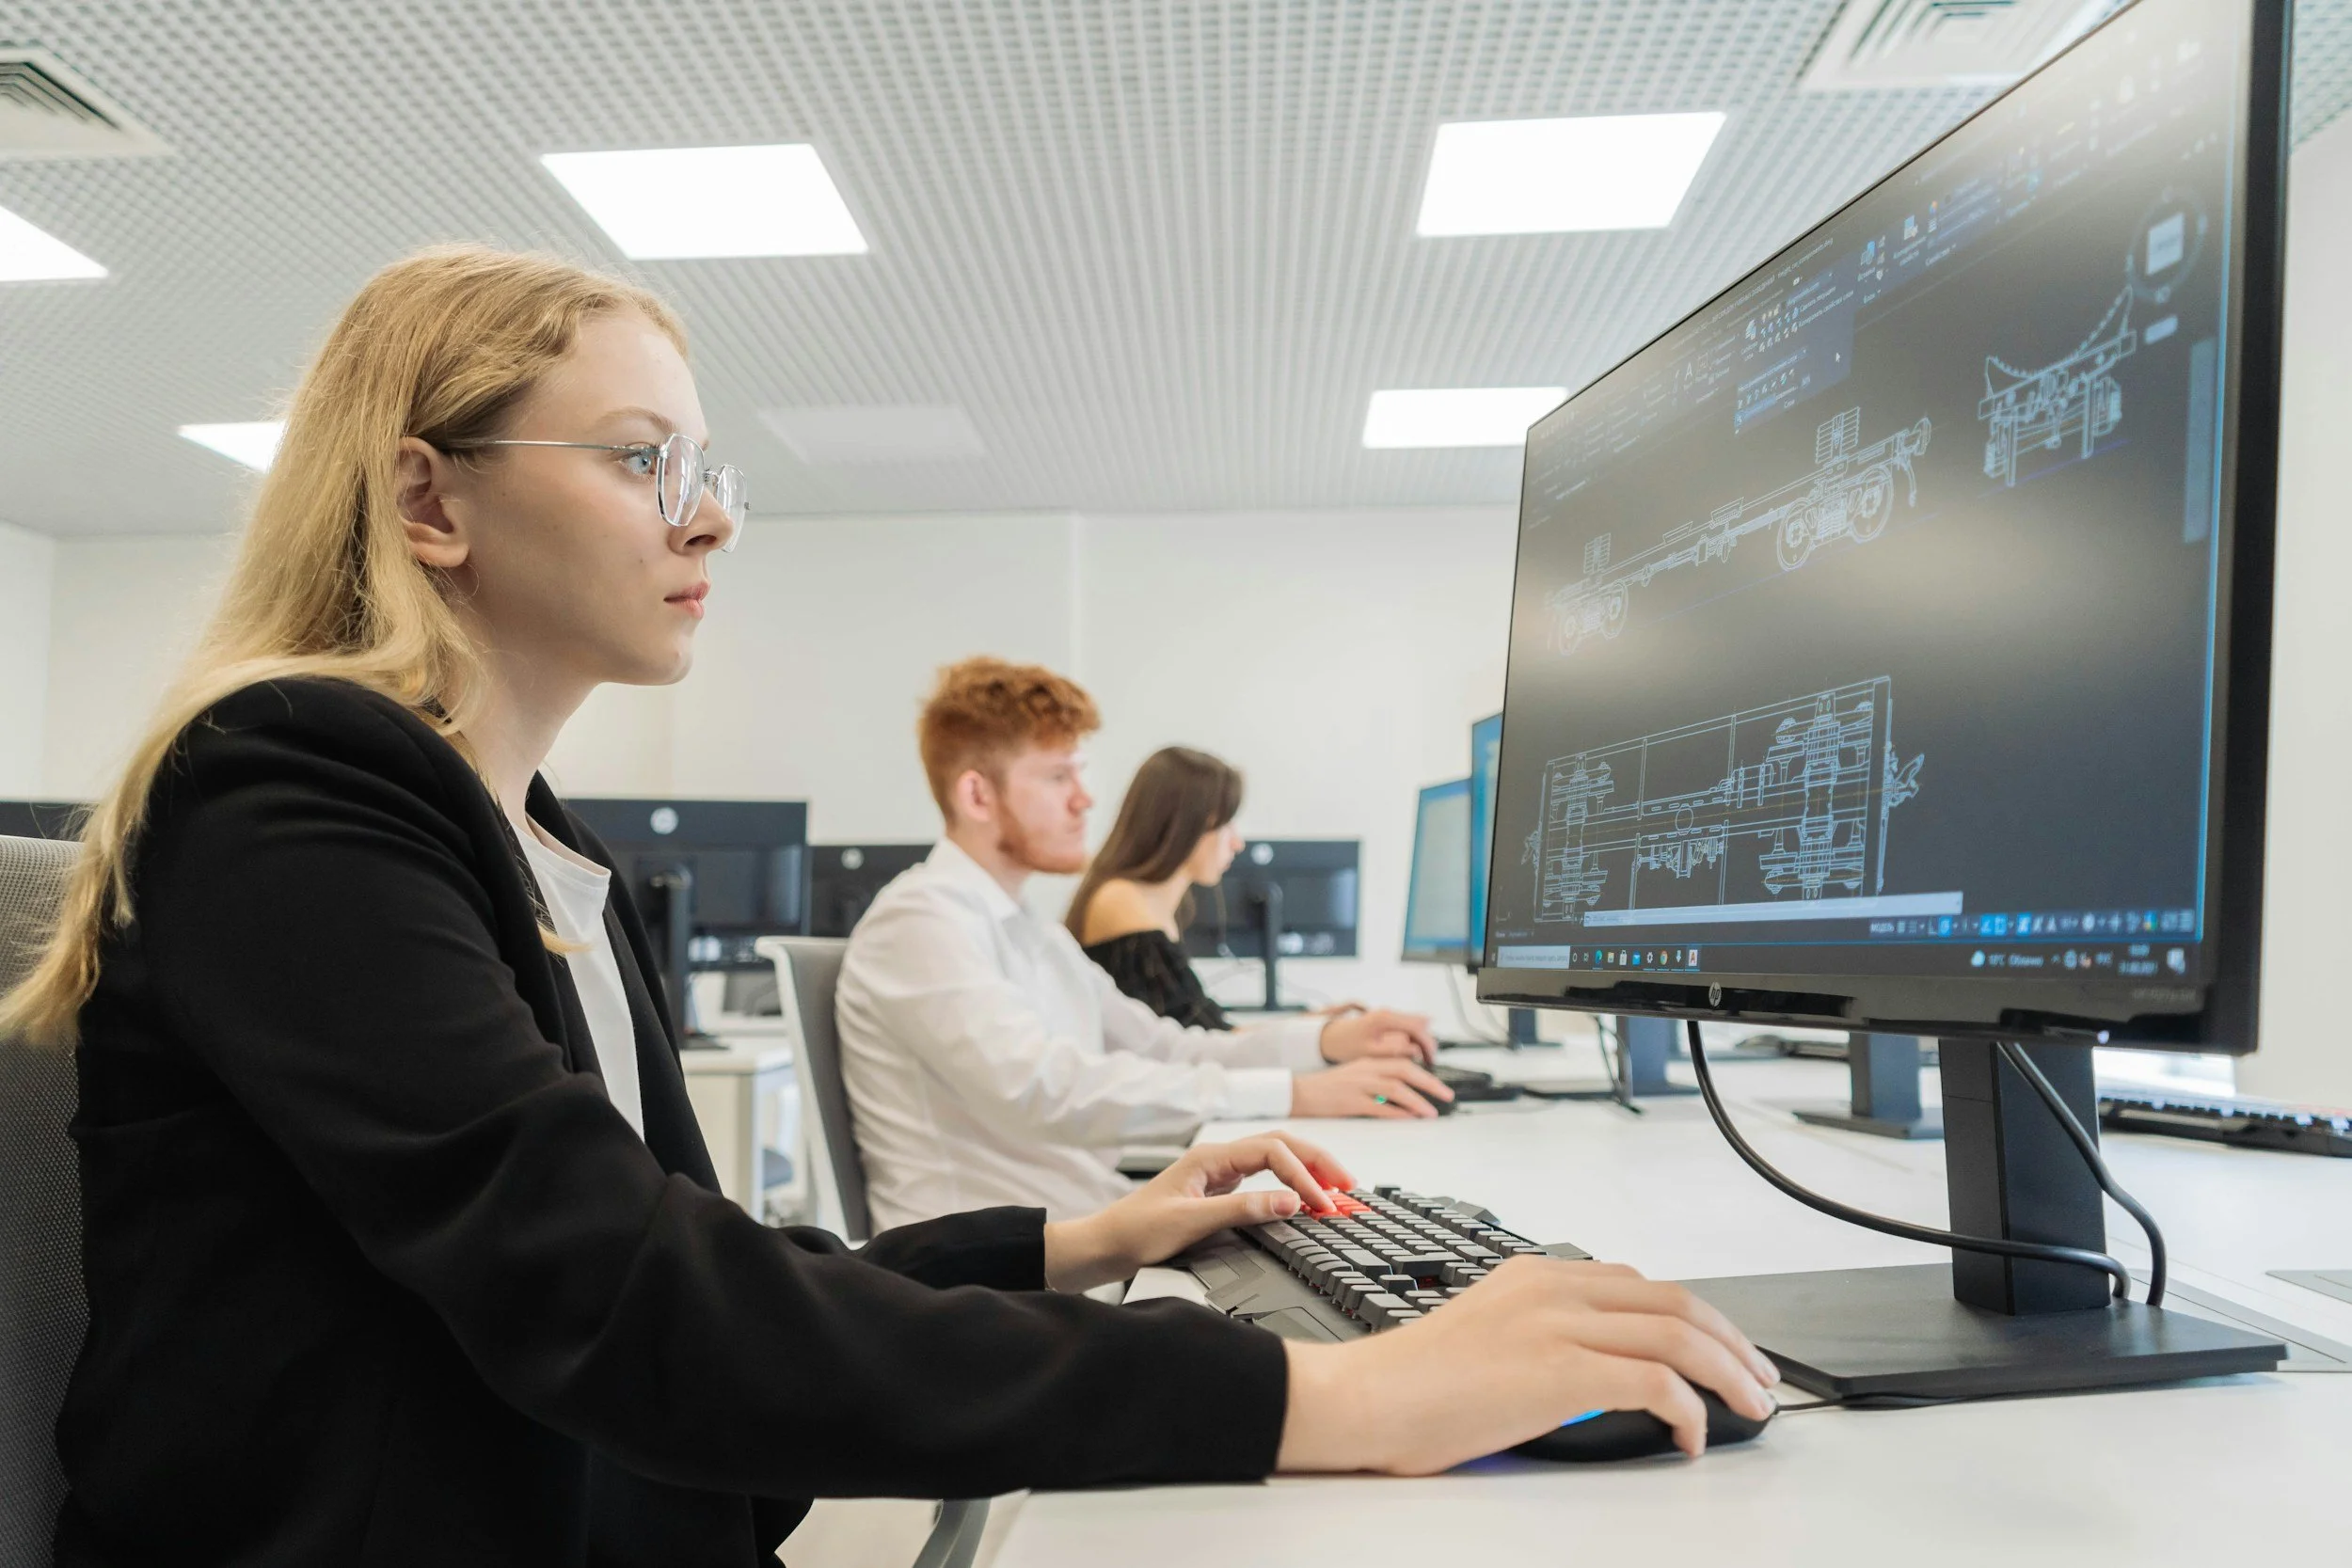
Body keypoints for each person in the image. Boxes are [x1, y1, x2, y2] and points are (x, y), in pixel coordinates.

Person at [0, 245, 1775, 1565]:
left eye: (712, 473)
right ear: (427, 495)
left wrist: (1088, 1239)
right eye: (641, 462)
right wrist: (1337, 1396)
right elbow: (624, 1295)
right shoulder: (287, 784)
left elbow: (692, 1260)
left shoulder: (548, 846)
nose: (708, 522)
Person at [835, 659, 1455, 1229]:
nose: (1085, 797)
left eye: (1079, 771)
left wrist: (1321, 1043)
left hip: (1081, 1231)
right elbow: (1044, 1089)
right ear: (977, 795)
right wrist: (1296, 1093)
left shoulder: (1031, 931)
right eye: (1057, 776)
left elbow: (1167, 1048)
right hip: (996, 1280)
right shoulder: (920, 922)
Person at [1069, 744, 1286, 1031]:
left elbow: (1206, 1031)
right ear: (1188, 826)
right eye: (1225, 825)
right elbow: (1196, 1038)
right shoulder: (1121, 902)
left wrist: (1317, 1030)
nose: (1237, 843)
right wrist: (1319, 1037)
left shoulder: (1155, 905)